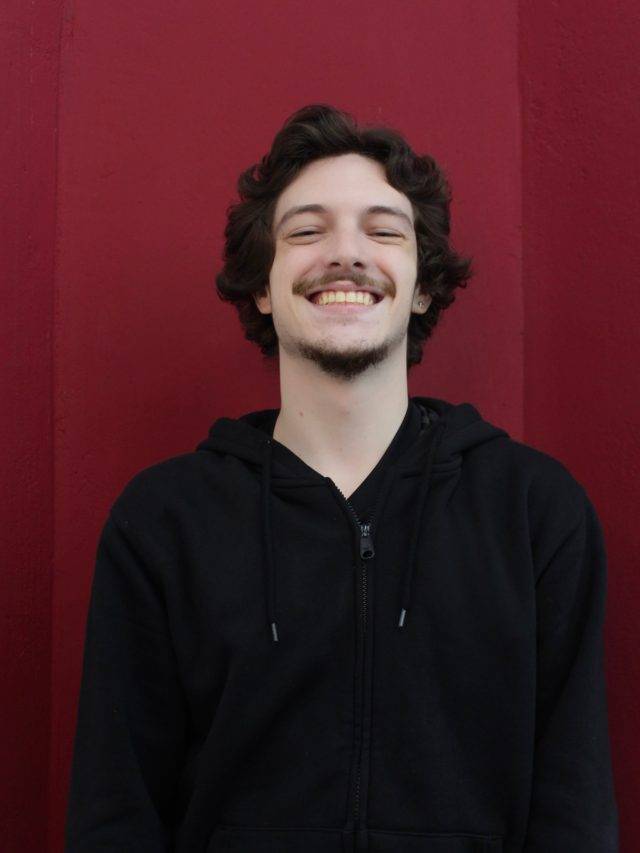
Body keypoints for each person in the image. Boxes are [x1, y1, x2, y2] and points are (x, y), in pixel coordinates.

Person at [65, 103, 619, 852]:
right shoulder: (163, 521)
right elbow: (114, 813)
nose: (346, 254)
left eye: (383, 231)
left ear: (422, 286)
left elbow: (574, 809)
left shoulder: (534, 512)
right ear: (263, 286)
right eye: (306, 232)